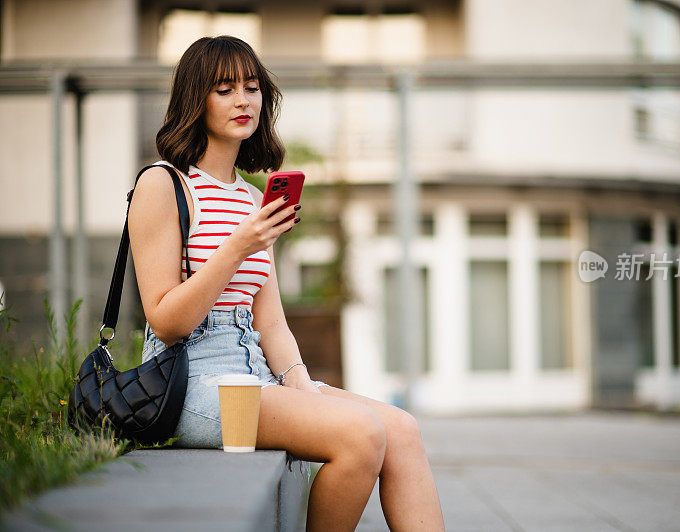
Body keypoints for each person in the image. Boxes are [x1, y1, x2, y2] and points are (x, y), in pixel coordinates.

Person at [128, 36, 445, 531]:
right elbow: (166, 322)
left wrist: (301, 383)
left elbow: (270, 321)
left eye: (252, 88)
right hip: (194, 382)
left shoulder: (254, 198)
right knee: (361, 435)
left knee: (401, 429)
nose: (243, 101)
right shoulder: (163, 185)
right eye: (225, 89)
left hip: (257, 372)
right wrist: (237, 247)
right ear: (196, 99)